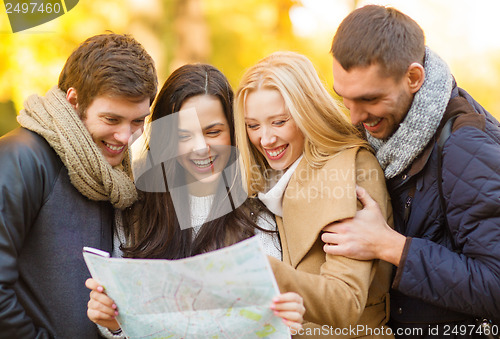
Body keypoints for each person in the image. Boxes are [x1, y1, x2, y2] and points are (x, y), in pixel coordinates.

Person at [85, 63, 305, 338]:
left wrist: (289, 318)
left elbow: (272, 320)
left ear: (234, 132)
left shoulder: (260, 212)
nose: (200, 147)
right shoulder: (135, 210)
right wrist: (112, 324)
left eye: (213, 132)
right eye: (184, 135)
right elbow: (119, 321)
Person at [322, 4, 500, 337]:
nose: (354, 118)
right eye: (344, 98)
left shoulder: (468, 146)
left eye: (369, 99)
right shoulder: (386, 135)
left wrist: (389, 246)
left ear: (414, 78)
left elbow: (495, 284)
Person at [0, 33, 157, 338]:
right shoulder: (20, 159)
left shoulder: (110, 174)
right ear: (74, 100)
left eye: (138, 122)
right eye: (112, 119)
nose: (125, 137)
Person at [234, 51, 394, 338]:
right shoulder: (272, 177)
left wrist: (259, 270)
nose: (266, 138)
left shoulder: (350, 168)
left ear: (307, 112)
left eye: (280, 122)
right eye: (253, 125)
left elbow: (345, 302)